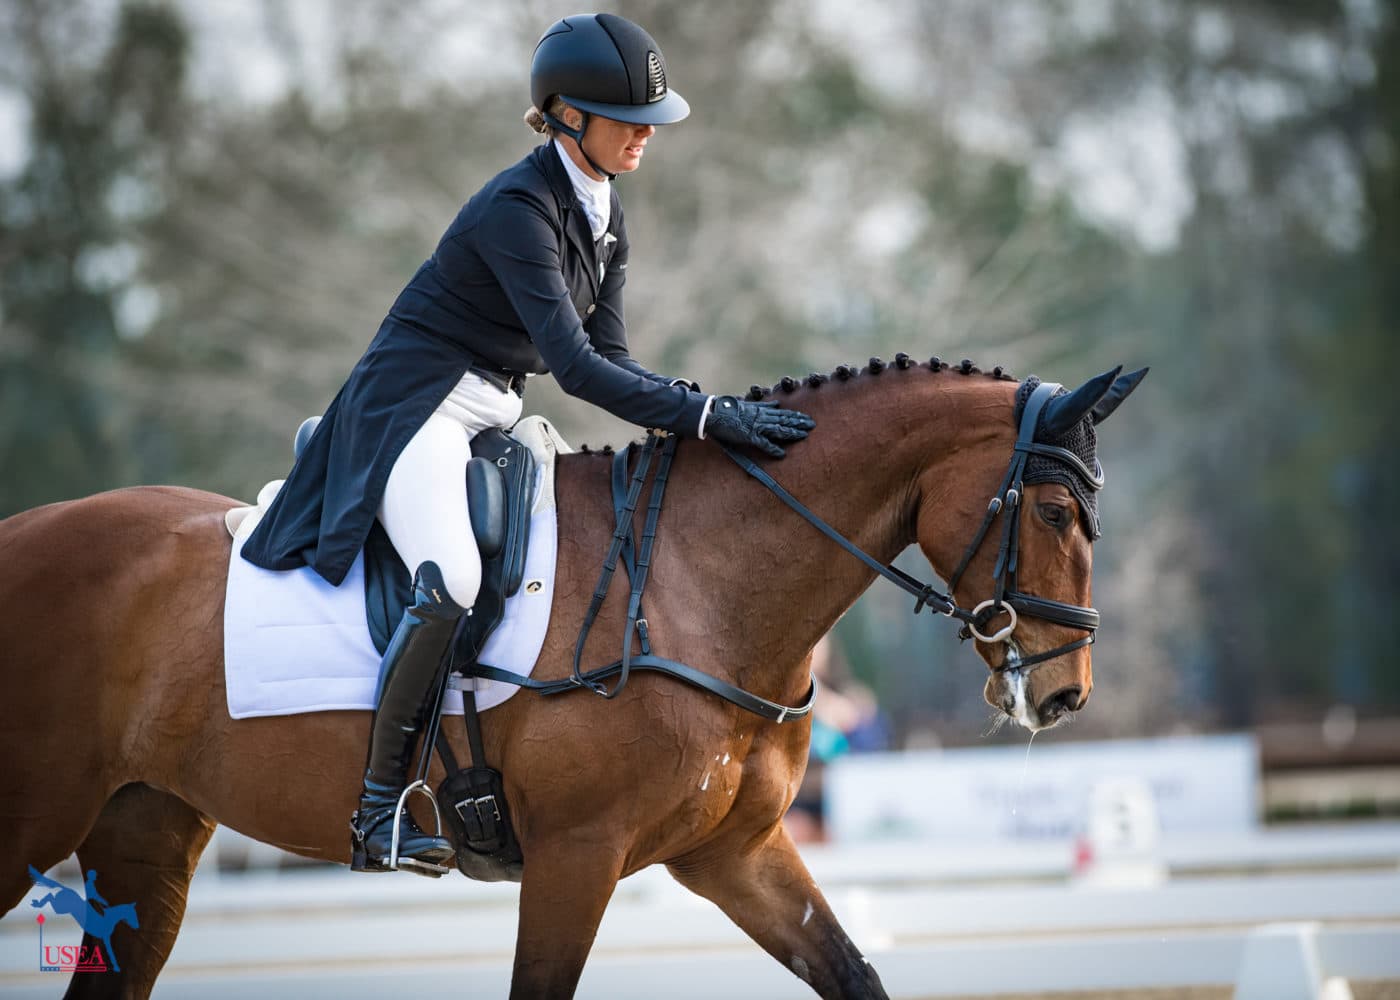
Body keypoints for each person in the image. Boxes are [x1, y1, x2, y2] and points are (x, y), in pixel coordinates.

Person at [240, 13, 815, 876]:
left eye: (650, 124)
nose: (643, 140)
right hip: (415, 410)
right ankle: (379, 807)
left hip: (494, 414)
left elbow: (614, 355)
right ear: (563, 116)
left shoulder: (605, 210)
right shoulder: (519, 208)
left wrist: (702, 412)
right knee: (454, 581)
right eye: (626, 122)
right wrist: (705, 416)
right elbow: (579, 369)